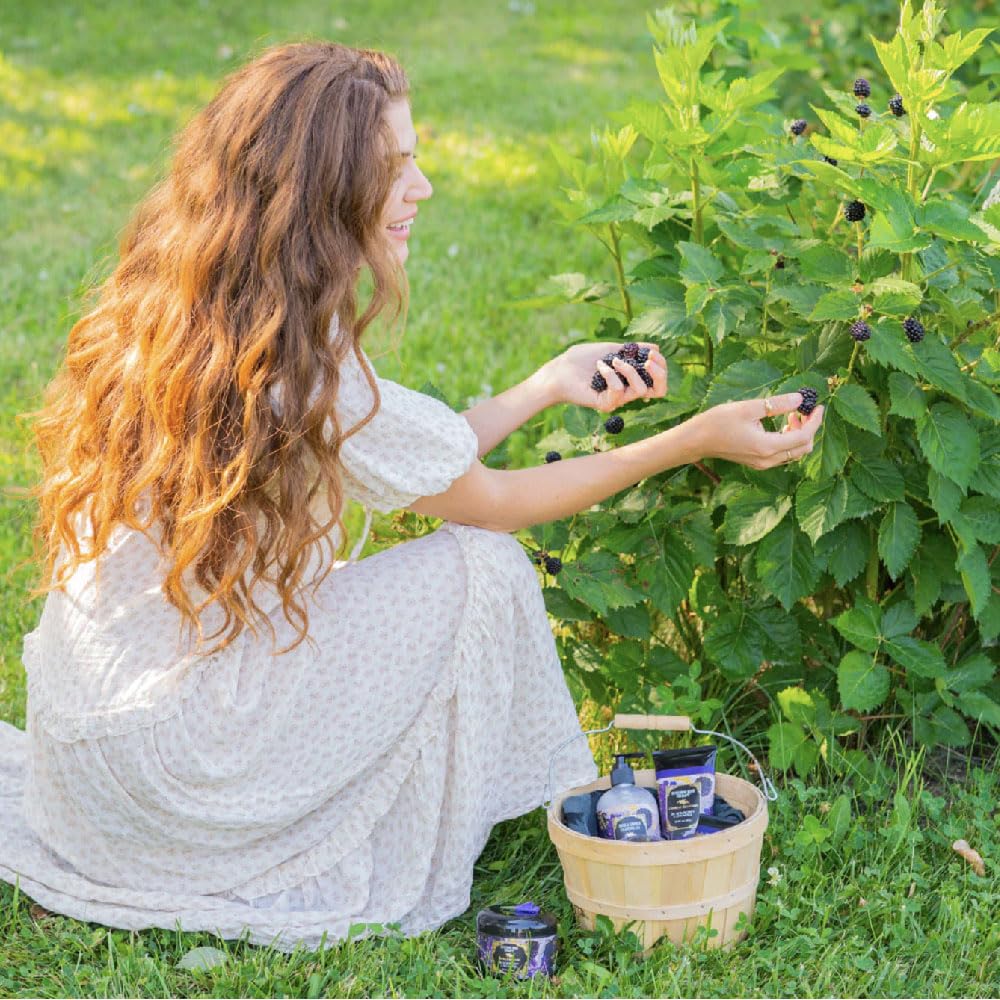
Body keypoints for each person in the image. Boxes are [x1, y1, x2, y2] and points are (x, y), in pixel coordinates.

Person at [0, 42, 823, 954]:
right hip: (178, 768)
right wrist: (692, 439)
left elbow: (412, 457)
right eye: (395, 168)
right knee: (481, 567)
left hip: (92, 764)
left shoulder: (194, 298)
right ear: (323, 193)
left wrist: (547, 384)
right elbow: (490, 504)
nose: (423, 186)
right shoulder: (302, 364)